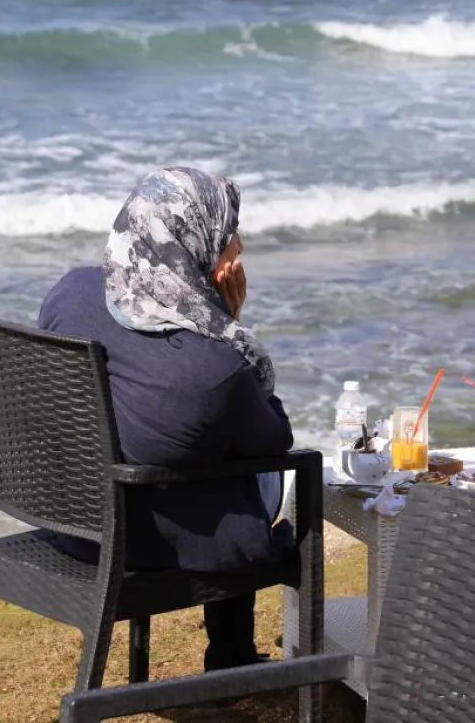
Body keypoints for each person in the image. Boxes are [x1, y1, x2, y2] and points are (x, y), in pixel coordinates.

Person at [38, 166, 293, 672]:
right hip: (149, 536)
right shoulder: (210, 366)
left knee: (212, 439)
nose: (237, 246)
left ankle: (232, 659)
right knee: (251, 464)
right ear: (188, 244)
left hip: (71, 518)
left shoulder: (72, 291)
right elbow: (274, 438)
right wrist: (228, 329)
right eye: (225, 238)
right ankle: (231, 658)